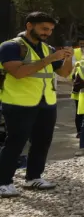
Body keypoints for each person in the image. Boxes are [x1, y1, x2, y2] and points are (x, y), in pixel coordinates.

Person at [0, 11, 74, 197]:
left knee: (42, 142)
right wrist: (50, 59)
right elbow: (18, 72)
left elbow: (64, 73)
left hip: (46, 102)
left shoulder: (48, 48)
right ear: (29, 25)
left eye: (50, 30)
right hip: (19, 102)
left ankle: (33, 177)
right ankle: (3, 182)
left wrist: (67, 57)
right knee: (15, 143)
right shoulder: (10, 46)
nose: (47, 33)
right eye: (43, 28)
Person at [70, 36, 84, 138]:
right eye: (80, 44)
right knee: (79, 110)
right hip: (79, 82)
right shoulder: (75, 52)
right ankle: (79, 131)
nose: (82, 45)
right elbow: (72, 63)